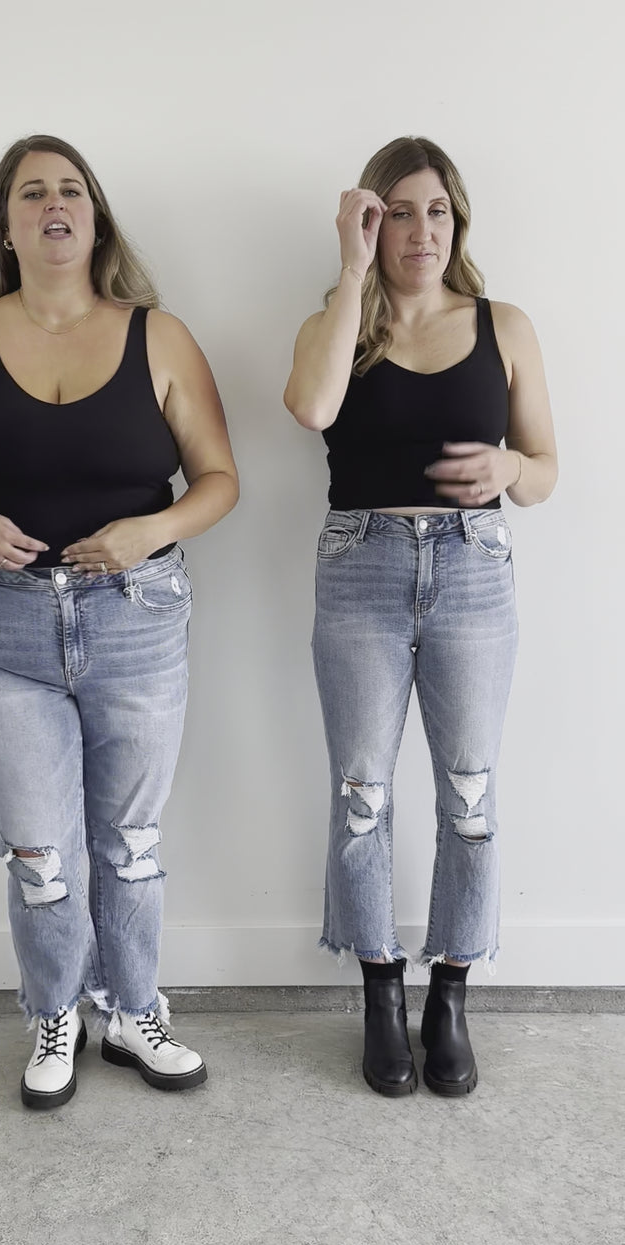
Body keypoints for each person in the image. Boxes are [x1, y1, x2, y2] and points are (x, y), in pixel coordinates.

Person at [0, 135, 238, 1109]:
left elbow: (219, 479)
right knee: (41, 853)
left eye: (70, 190)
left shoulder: (157, 337)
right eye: (31, 192)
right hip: (0, 629)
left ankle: (130, 1010)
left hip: (135, 619)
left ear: (95, 217)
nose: (53, 204)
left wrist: (148, 532)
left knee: (127, 840)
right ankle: (55, 1012)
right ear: (5, 223)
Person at [284, 136, 557, 1098]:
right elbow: (311, 409)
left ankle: (450, 994)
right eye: (400, 211)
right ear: (370, 221)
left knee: (470, 797)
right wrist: (350, 275)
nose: (422, 230)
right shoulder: (339, 323)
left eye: (437, 210)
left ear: (458, 221)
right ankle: (377, 991)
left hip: (475, 571)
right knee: (363, 794)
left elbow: (545, 472)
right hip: (359, 568)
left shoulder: (503, 324)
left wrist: (511, 470)